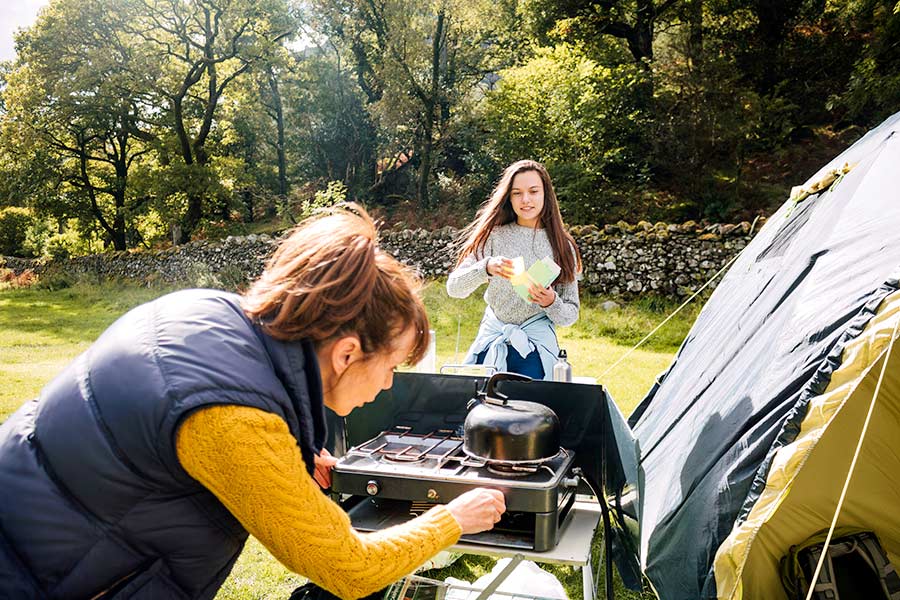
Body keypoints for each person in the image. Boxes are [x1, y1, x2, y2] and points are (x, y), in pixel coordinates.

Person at [0, 204, 506, 600]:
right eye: (391, 367)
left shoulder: (206, 309)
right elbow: (347, 568)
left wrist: (290, 452)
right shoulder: (235, 423)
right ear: (348, 353)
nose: (389, 386)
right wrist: (453, 518)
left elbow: (167, 430)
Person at [447, 160, 582, 380]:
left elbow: (569, 316)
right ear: (509, 197)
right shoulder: (493, 236)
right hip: (492, 344)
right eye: (517, 193)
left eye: (533, 191)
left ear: (546, 195)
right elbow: (454, 288)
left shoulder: (562, 246)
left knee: (532, 411)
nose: (525, 199)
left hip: (535, 351)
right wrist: (486, 268)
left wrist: (550, 301)